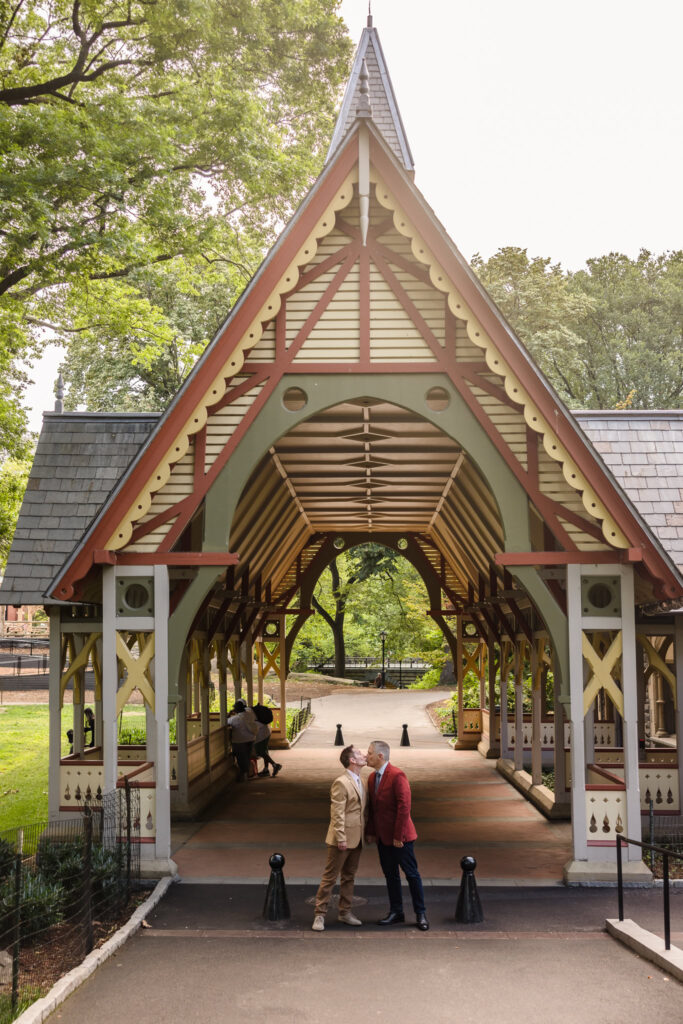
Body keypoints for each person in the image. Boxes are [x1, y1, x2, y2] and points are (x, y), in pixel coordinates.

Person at [366, 739, 429, 931]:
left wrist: (398, 836)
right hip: (383, 838)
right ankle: (396, 912)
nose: (366, 756)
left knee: (411, 874)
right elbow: (372, 809)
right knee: (390, 875)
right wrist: (371, 831)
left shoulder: (397, 775)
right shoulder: (371, 778)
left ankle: (421, 913)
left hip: (401, 838)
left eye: (369, 753)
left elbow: (404, 807)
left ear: (380, 756)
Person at [312, 745, 368, 932]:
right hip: (341, 839)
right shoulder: (341, 782)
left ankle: (345, 912)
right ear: (352, 760)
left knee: (349, 877)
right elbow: (337, 813)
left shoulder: (362, 780)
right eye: (360, 753)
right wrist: (341, 837)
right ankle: (319, 914)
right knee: (330, 877)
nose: (364, 755)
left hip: (357, 837)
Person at [227, 699, 257, 782]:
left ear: (236, 709)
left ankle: (244, 774)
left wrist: (229, 714)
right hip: (250, 739)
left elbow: (225, 723)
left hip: (239, 741)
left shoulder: (234, 719)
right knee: (247, 757)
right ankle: (247, 773)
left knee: (241, 759)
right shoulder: (250, 715)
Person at [253, 706, 281, 777]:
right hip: (266, 730)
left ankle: (275, 765)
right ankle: (266, 770)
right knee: (264, 750)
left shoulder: (245, 714)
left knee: (260, 751)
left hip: (262, 732)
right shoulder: (250, 711)